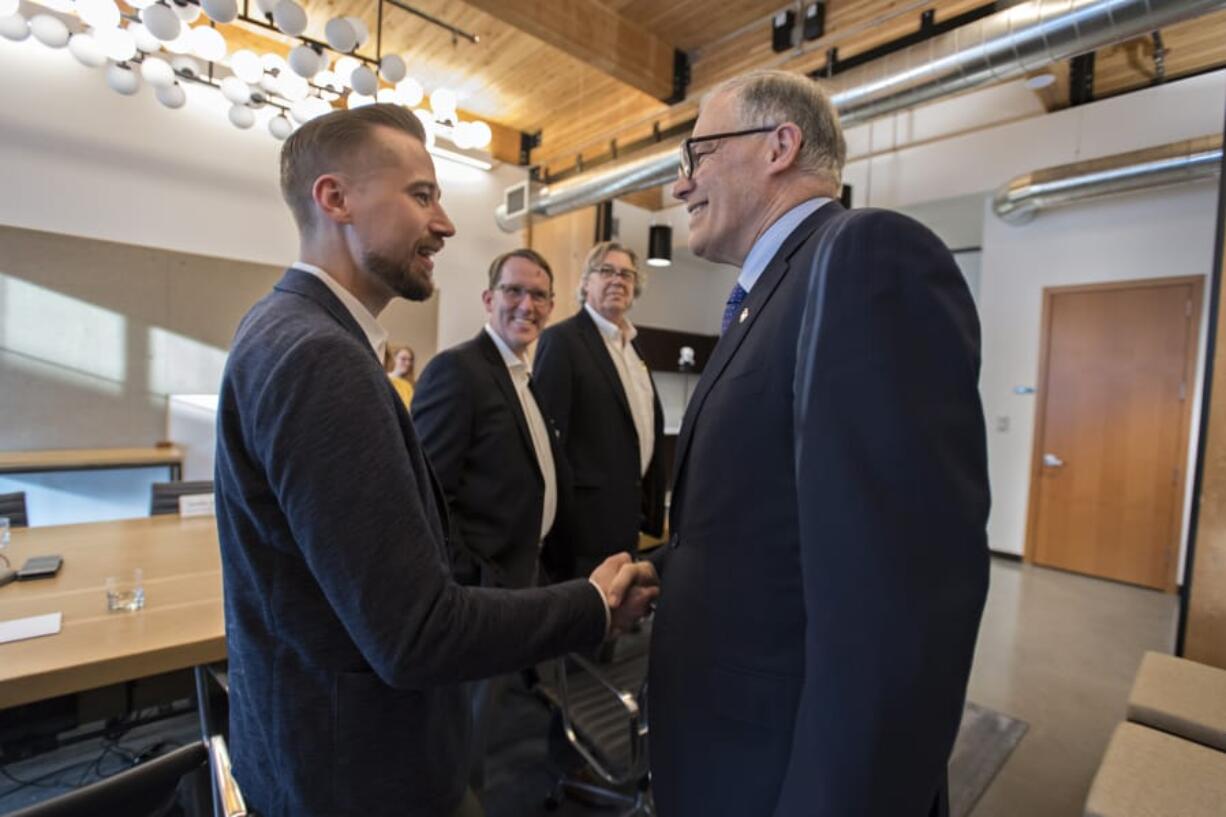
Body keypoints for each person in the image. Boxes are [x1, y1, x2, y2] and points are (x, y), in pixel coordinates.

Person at [213, 104, 657, 817]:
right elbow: (414, 634)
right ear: (335, 199)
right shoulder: (321, 356)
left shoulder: (290, 329)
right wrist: (591, 604)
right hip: (357, 776)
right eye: (422, 195)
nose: (446, 223)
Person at [647, 70, 990, 817]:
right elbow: (767, 519)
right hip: (725, 741)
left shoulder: (867, 257)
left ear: (779, 145)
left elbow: (901, 604)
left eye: (697, 154)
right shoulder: (766, 298)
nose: (682, 186)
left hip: (781, 767)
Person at [411, 248, 572, 794]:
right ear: (489, 299)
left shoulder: (526, 376)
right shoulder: (458, 371)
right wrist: (477, 577)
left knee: (491, 728)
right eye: (514, 291)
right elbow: (425, 499)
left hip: (519, 580)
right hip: (479, 595)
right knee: (462, 741)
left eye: (539, 295)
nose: (526, 305)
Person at [533, 241, 665, 578]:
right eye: (606, 271)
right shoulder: (562, 341)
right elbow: (548, 442)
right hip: (581, 532)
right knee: (581, 627)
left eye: (626, 274)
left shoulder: (634, 348)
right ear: (585, 282)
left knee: (614, 624)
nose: (618, 280)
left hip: (625, 522)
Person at [387, 344, 416, 409]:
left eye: (410, 360)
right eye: (403, 359)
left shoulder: (409, 385)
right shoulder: (385, 379)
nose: (408, 363)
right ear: (395, 358)